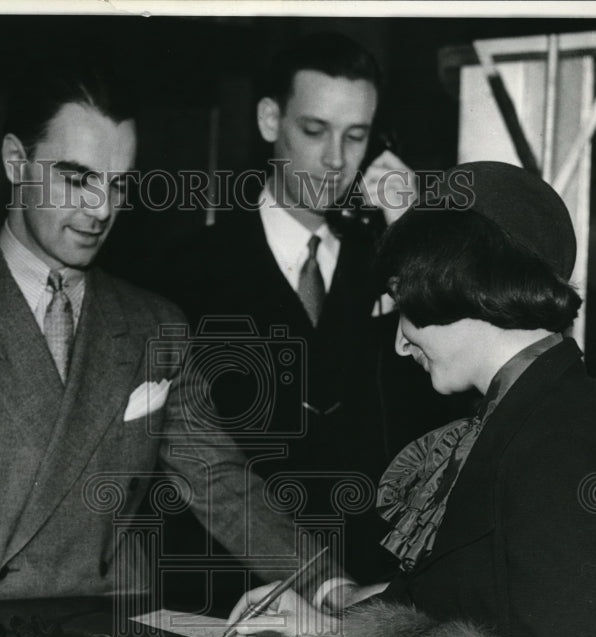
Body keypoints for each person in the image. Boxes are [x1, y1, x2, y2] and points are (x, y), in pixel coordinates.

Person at [231, 161, 596, 637]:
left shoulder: (563, 447)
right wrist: (326, 631)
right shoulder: (527, 420)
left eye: (407, 306)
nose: (401, 341)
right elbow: (463, 607)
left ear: (464, 285)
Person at [0, 62, 308, 601]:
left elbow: (220, 481)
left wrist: (325, 584)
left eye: (117, 184)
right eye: (77, 179)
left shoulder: (154, 325)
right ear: (16, 161)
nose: (102, 209)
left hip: (117, 632)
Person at [156, 32, 464, 586]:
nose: (335, 160)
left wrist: (417, 243)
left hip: (370, 584)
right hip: (230, 585)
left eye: (355, 136)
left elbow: (450, 411)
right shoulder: (185, 271)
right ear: (269, 119)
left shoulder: (391, 259)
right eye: (314, 130)